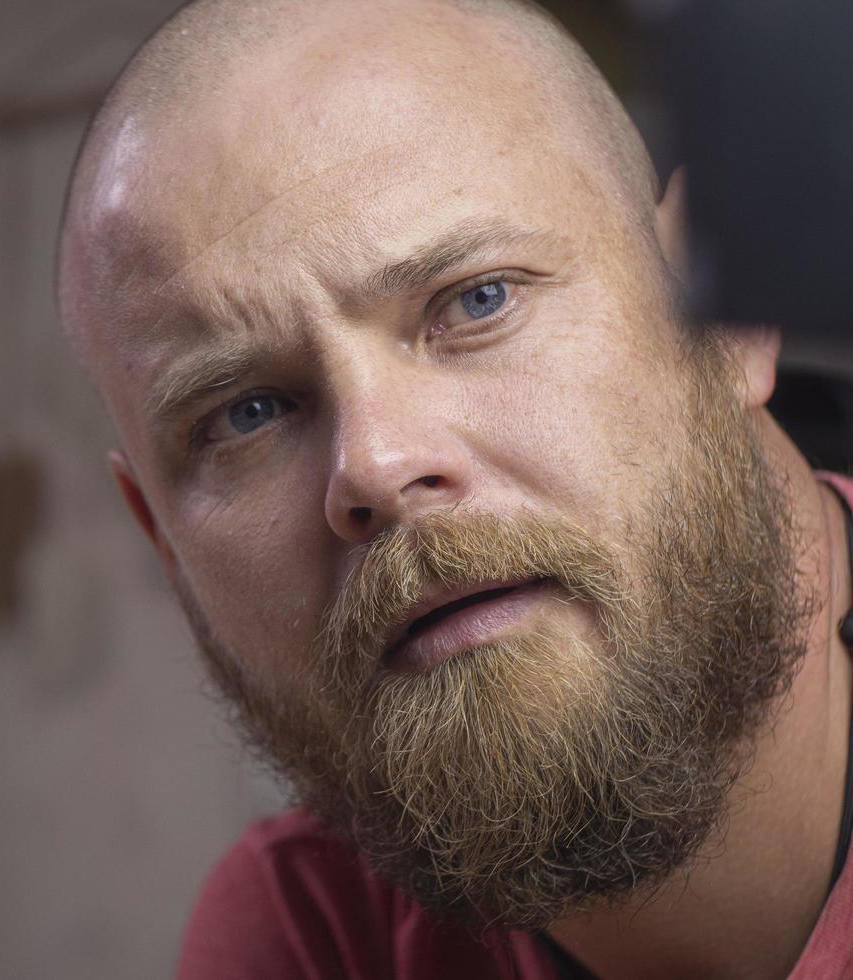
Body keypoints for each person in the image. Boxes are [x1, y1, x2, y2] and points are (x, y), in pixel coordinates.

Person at [56, 0, 853, 976]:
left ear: (729, 319)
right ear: (162, 544)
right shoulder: (308, 935)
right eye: (244, 413)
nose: (376, 467)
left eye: (476, 300)